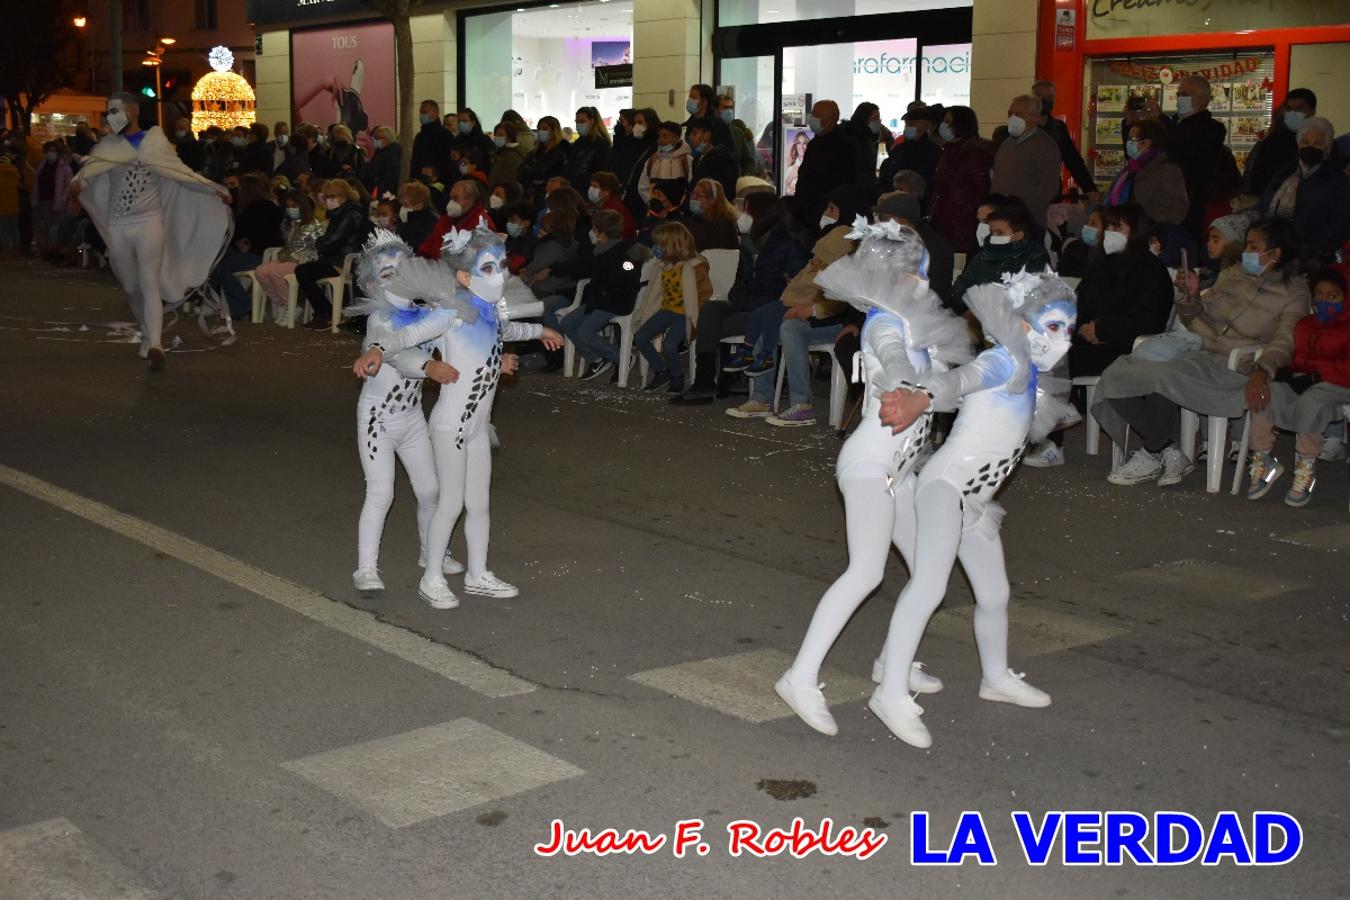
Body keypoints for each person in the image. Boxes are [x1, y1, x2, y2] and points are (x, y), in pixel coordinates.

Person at [775, 220, 974, 737]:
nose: (923, 282)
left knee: (931, 569)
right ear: (894, 278)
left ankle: (893, 664)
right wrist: (909, 386)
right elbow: (890, 363)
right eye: (915, 273)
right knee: (866, 572)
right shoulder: (887, 325)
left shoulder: (911, 320)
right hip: (870, 466)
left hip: (903, 468)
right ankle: (800, 677)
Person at [865, 272, 1077, 748]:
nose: (1062, 338)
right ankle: (890, 692)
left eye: (1068, 328)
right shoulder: (1002, 361)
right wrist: (920, 398)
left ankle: (996, 678)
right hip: (945, 489)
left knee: (995, 593)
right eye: (1055, 325)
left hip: (976, 499)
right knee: (928, 587)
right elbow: (960, 380)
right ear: (1022, 324)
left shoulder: (1029, 372)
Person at [351, 225, 564, 608]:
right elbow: (407, 338)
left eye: (502, 265)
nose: (500, 274)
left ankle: (478, 573)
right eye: (488, 268)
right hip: (445, 425)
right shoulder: (448, 314)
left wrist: (536, 333)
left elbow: (498, 336)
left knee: (477, 503)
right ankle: (428, 578)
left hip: (475, 427)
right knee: (444, 502)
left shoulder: (487, 313)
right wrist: (379, 350)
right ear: (465, 277)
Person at [1096, 218, 1309, 487]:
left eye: (1254, 247)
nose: (1246, 253)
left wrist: (1261, 370)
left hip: (1236, 365)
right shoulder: (1234, 275)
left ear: (1276, 253)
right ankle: (1166, 448)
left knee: (1165, 376)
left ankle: (1152, 453)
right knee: (1118, 372)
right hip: (1202, 352)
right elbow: (1196, 315)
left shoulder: (1294, 292)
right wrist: (1192, 295)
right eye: (1246, 245)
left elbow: (1284, 342)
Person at [72, 92, 231, 370]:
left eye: (114, 111)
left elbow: (183, 174)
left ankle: (156, 343)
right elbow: (86, 178)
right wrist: (76, 187)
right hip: (118, 227)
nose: (110, 116)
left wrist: (214, 189)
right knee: (132, 287)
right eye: (108, 111)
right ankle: (147, 333)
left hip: (149, 222)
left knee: (148, 282)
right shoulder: (107, 147)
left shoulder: (156, 143)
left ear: (131, 113)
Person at [1027, 202, 1173, 467]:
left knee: (1062, 360)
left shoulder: (1150, 270)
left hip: (1128, 347)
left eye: (1118, 226)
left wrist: (1103, 329)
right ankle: (1047, 429)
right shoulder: (1101, 265)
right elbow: (1078, 304)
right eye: (1109, 226)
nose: (1110, 232)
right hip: (1091, 341)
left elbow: (1150, 319)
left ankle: (1054, 438)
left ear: (1135, 231)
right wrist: (1074, 327)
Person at [345, 230, 451, 592]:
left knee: (431, 491)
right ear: (373, 284)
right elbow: (398, 354)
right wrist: (427, 367)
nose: (399, 280)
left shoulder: (423, 314)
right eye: (387, 274)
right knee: (380, 493)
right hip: (378, 420)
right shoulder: (380, 322)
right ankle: (366, 568)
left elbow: (448, 339)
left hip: (412, 419)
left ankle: (430, 552)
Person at [672, 192, 809, 404]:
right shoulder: (747, 244)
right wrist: (741, 299)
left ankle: (731, 377)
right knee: (710, 310)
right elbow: (738, 284)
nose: (742, 215)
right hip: (748, 303)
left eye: (747, 210)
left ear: (763, 214)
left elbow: (797, 288)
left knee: (730, 322)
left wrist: (749, 301)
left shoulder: (789, 244)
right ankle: (705, 380)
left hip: (774, 308)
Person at [1242, 263, 1349, 507]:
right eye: (1319, 295)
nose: (1324, 301)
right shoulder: (1306, 324)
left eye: (1333, 296)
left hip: (1338, 384)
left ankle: (1305, 469)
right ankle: (1263, 459)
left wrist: (1317, 372)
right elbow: (1297, 357)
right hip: (1311, 380)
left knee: (1313, 401)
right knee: (1267, 391)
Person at [559, 209, 647, 381]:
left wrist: (601, 296)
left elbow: (627, 282)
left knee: (585, 332)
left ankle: (622, 358)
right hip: (599, 300)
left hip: (615, 302)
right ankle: (596, 359)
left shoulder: (625, 252)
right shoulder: (601, 250)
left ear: (599, 231)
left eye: (593, 229)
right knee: (567, 322)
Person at [632, 221, 713, 393]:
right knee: (640, 337)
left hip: (684, 314)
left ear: (673, 245)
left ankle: (677, 376)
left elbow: (705, 292)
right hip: (666, 310)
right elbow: (653, 292)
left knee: (669, 345)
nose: (656, 248)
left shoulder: (695, 266)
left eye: (660, 244)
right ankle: (662, 371)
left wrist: (695, 316)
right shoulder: (663, 265)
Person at [1259, 116, 1350, 263]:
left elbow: (1342, 222)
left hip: (1310, 256)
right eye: (1305, 142)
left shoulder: (1337, 180)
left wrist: (1316, 248)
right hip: (1272, 250)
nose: (1310, 147)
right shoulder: (1284, 173)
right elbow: (1265, 203)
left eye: (1317, 143)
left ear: (1327, 147)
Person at [295, 177, 372, 330]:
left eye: (333, 196)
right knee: (304, 270)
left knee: (304, 271)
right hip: (335, 259)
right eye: (327, 196)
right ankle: (326, 312)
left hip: (344, 261)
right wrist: (322, 244)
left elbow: (331, 241)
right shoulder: (339, 214)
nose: (329, 200)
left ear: (344, 197)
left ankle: (326, 313)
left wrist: (320, 244)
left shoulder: (351, 214)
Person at [949, 201, 1051, 315]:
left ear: (1018, 236)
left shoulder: (1034, 258)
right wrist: (971, 304)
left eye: (999, 233)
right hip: (975, 314)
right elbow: (962, 283)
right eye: (992, 232)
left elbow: (1031, 297)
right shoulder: (983, 255)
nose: (993, 237)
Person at [1165, 75, 1228, 243]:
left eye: (1184, 94)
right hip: (1166, 204)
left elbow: (1186, 146)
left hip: (1192, 206)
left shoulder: (1212, 129)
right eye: (1178, 94)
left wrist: (1161, 119)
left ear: (1201, 98)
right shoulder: (1174, 124)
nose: (1179, 99)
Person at [211, 172, 284, 318]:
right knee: (225, 273)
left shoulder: (252, 210)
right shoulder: (271, 208)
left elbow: (238, 232)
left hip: (257, 255)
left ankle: (208, 293)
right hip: (264, 253)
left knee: (218, 264)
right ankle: (242, 308)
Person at [929, 105, 995, 254]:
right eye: (944, 121)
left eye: (948, 121)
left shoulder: (974, 154)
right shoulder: (947, 152)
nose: (943, 126)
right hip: (943, 220)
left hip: (961, 224)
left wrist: (960, 214)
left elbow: (980, 192)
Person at [991, 94, 1062, 228]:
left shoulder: (1046, 146)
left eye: (1019, 114)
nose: (1013, 118)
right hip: (1001, 219)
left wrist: (1025, 216)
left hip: (1027, 222)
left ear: (1035, 117)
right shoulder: (1007, 143)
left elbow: (1047, 188)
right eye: (1010, 113)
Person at [254, 189, 325, 323]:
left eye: (294, 206)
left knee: (275, 273)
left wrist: (299, 257)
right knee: (260, 271)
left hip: (305, 261)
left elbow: (318, 246)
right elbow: (287, 244)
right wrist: (285, 256)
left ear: (302, 206)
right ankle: (280, 304)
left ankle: (291, 306)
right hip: (287, 258)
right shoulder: (286, 224)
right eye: (288, 207)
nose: (290, 209)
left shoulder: (313, 223)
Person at [1107, 118, 1187, 226]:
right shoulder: (1129, 169)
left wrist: (1142, 221)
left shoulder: (1166, 170)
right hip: (1121, 230)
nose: (1128, 143)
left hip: (1146, 234)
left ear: (1146, 143)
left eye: (1132, 139)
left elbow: (1177, 210)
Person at [1029, 80, 1097, 199]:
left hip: (1052, 192)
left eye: (1050, 97)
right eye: (1040, 96)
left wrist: (1089, 189)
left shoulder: (1058, 128)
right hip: (1027, 191)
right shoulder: (1024, 127)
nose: (1045, 100)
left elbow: (1073, 160)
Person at [1246, 88, 1318, 197]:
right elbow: (1256, 178)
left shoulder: (1321, 141)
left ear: (1311, 112)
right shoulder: (1273, 142)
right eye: (1289, 109)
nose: (1293, 113)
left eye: (1299, 109)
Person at [793, 100, 856, 217]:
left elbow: (844, 182)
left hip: (826, 211)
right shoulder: (813, 143)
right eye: (812, 114)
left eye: (816, 115)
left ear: (830, 120)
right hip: (806, 208)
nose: (812, 118)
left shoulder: (844, 146)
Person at [879, 107, 941, 207]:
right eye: (906, 124)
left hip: (919, 207)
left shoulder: (934, 152)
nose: (908, 127)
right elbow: (885, 174)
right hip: (893, 205)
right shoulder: (897, 149)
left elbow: (933, 184)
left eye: (912, 124)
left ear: (926, 125)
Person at [419, 178, 494, 260]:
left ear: (469, 200)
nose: (451, 203)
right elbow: (430, 245)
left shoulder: (481, 224)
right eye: (450, 198)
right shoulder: (446, 220)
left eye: (455, 198)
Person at [30, 141, 72, 258]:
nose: (50, 154)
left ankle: (54, 251)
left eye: (53, 151)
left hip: (56, 202)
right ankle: (44, 250)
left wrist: (63, 199)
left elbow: (68, 186)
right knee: (42, 227)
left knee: (54, 228)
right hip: (42, 200)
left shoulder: (64, 168)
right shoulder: (42, 165)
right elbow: (37, 182)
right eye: (48, 151)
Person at [637, 121, 692, 209]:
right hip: (656, 210)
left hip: (680, 210)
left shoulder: (686, 160)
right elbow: (642, 186)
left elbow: (691, 185)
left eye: (665, 136)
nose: (660, 140)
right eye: (659, 136)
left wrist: (682, 204)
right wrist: (652, 204)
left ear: (676, 138)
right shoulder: (652, 160)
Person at [842, 102, 889, 203]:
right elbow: (862, 167)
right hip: (857, 191)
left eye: (879, 118)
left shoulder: (868, 138)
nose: (878, 121)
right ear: (864, 118)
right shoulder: (856, 139)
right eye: (875, 117)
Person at [518, 116, 570, 207]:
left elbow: (541, 172)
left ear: (554, 131)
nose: (541, 131)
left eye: (545, 129)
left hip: (548, 196)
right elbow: (519, 172)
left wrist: (530, 171)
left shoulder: (558, 151)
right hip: (531, 195)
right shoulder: (535, 151)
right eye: (539, 129)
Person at [678, 177, 739, 252]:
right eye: (693, 194)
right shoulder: (696, 218)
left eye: (698, 196)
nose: (693, 198)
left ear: (712, 200)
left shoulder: (723, 223)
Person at [686, 118, 737, 205]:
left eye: (694, 133)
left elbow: (725, 192)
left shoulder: (721, 160)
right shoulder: (697, 159)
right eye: (690, 134)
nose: (690, 137)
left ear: (707, 135)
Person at [564, 106, 612, 190]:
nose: (578, 125)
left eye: (582, 121)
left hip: (589, 188)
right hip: (574, 187)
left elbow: (601, 170)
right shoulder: (579, 142)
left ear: (592, 121)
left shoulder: (601, 144)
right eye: (577, 122)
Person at [716, 94, 762, 178]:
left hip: (735, 181)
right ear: (716, 110)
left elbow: (748, 160)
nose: (729, 111)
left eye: (731, 107)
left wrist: (745, 179)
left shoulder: (737, 132)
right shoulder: (709, 131)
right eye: (725, 108)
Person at [411, 100, 455, 183]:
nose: (421, 115)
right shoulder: (420, 136)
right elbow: (415, 161)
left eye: (425, 112)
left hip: (438, 181)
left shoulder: (444, 135)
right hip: (420, 180)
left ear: (435, 113)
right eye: (421, 112)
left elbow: (447, 161)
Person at [587, 171, 637, 239]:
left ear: (606, 192)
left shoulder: (614, 210)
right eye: (591, 186)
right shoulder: (597, 203)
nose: (590, 189)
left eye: (595, 187)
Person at [358, 126, 401, 199]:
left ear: (387, 138)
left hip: (383, 191)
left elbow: (371, 170)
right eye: (374, 137)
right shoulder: (381, 152)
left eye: (377, 137)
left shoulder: (389, 154)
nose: (374, 140)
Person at [488, 121, 527, 194]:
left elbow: (512, 180)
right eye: (496, 135)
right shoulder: (500, 153)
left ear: (510, 137)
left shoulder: (513, 156)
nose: (497, 137)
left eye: (501, 135)